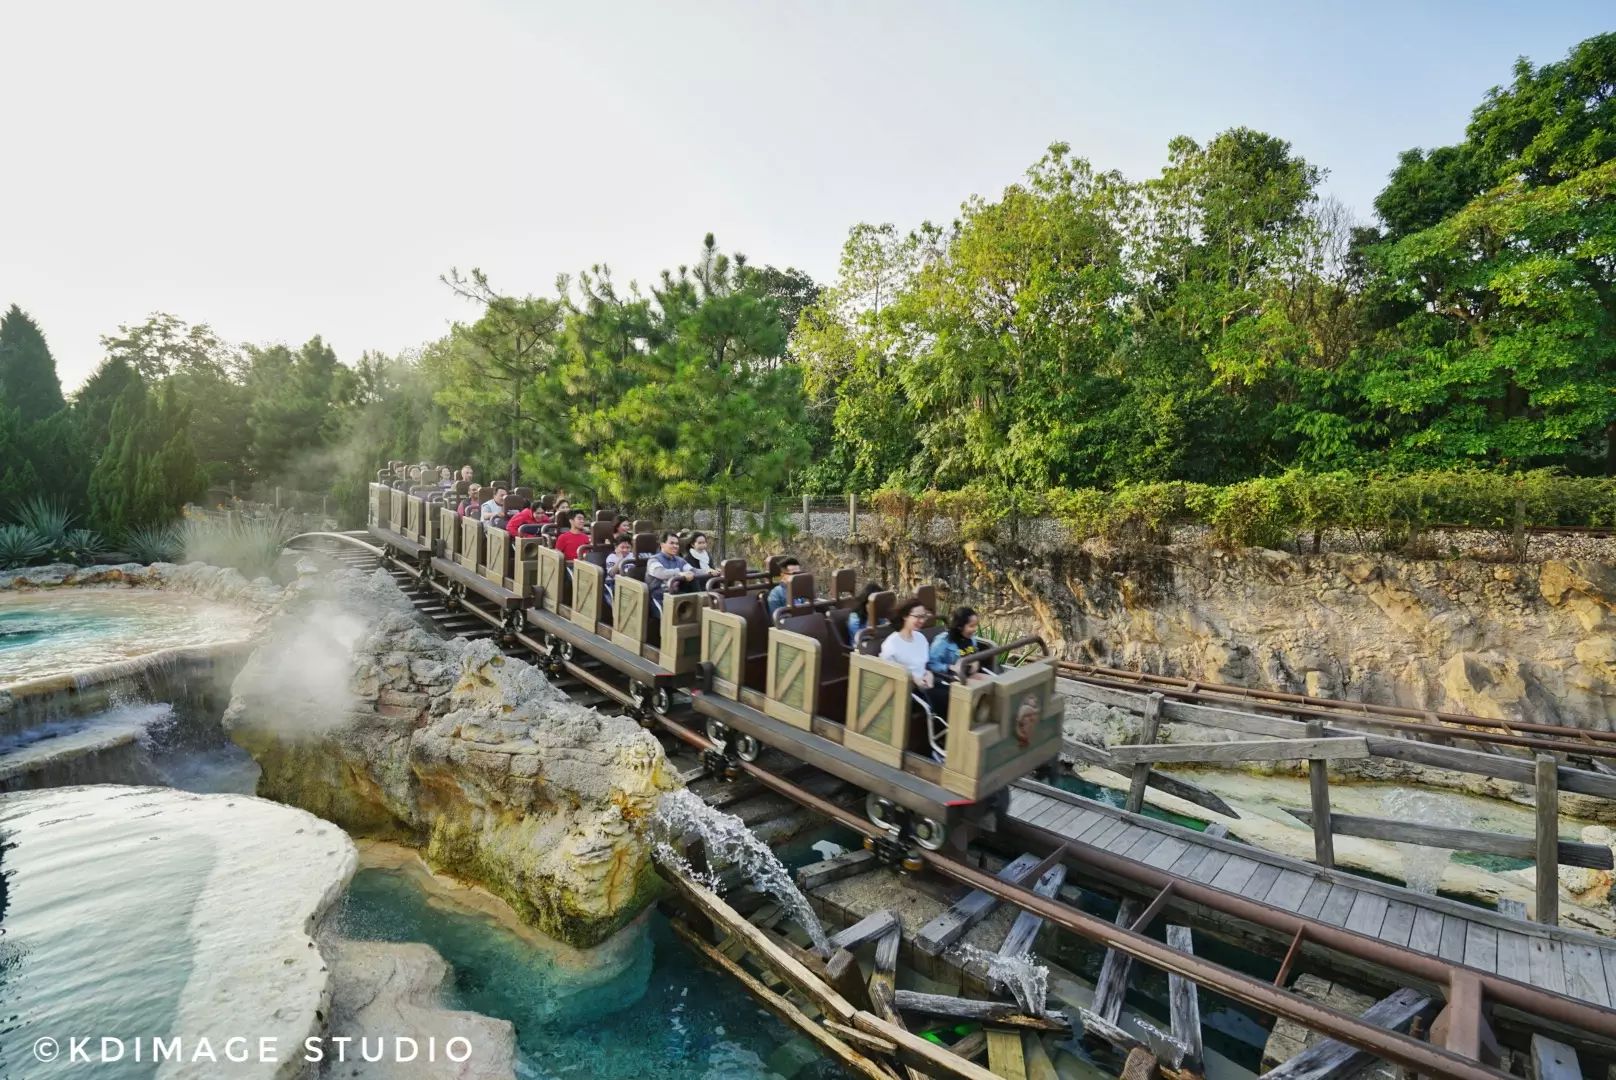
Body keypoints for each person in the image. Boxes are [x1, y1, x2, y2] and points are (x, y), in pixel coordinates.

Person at [880, 599, 935, 696]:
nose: (922, 620)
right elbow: (889, 678)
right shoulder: (891, 644)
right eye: (917, 617)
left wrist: (928, 675)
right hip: (906, 692)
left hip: (926, 686)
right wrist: (913, 680)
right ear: (905, 616)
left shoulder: (921, 638)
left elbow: (921, 667)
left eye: (924, 616)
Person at [929, 606, 987, 678]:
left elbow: (975, 652)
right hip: (951, 678)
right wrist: (950, 667)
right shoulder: (942, 641)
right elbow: (931, 664)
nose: (975, 629)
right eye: (971, 626)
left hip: (968, 674)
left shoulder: (971, 638)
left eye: (976, 625)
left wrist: (976, 662)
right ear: (960, 627)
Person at [645, 531, 696, 604]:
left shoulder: (680, 560)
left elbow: (693, 570)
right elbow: (661, 573)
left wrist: (708, 571)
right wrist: (680, 574)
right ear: (662, 545)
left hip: (674, 596)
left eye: (677, 544)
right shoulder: (653, 560)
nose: (675, 546)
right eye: (672, 543)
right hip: (657, 598)